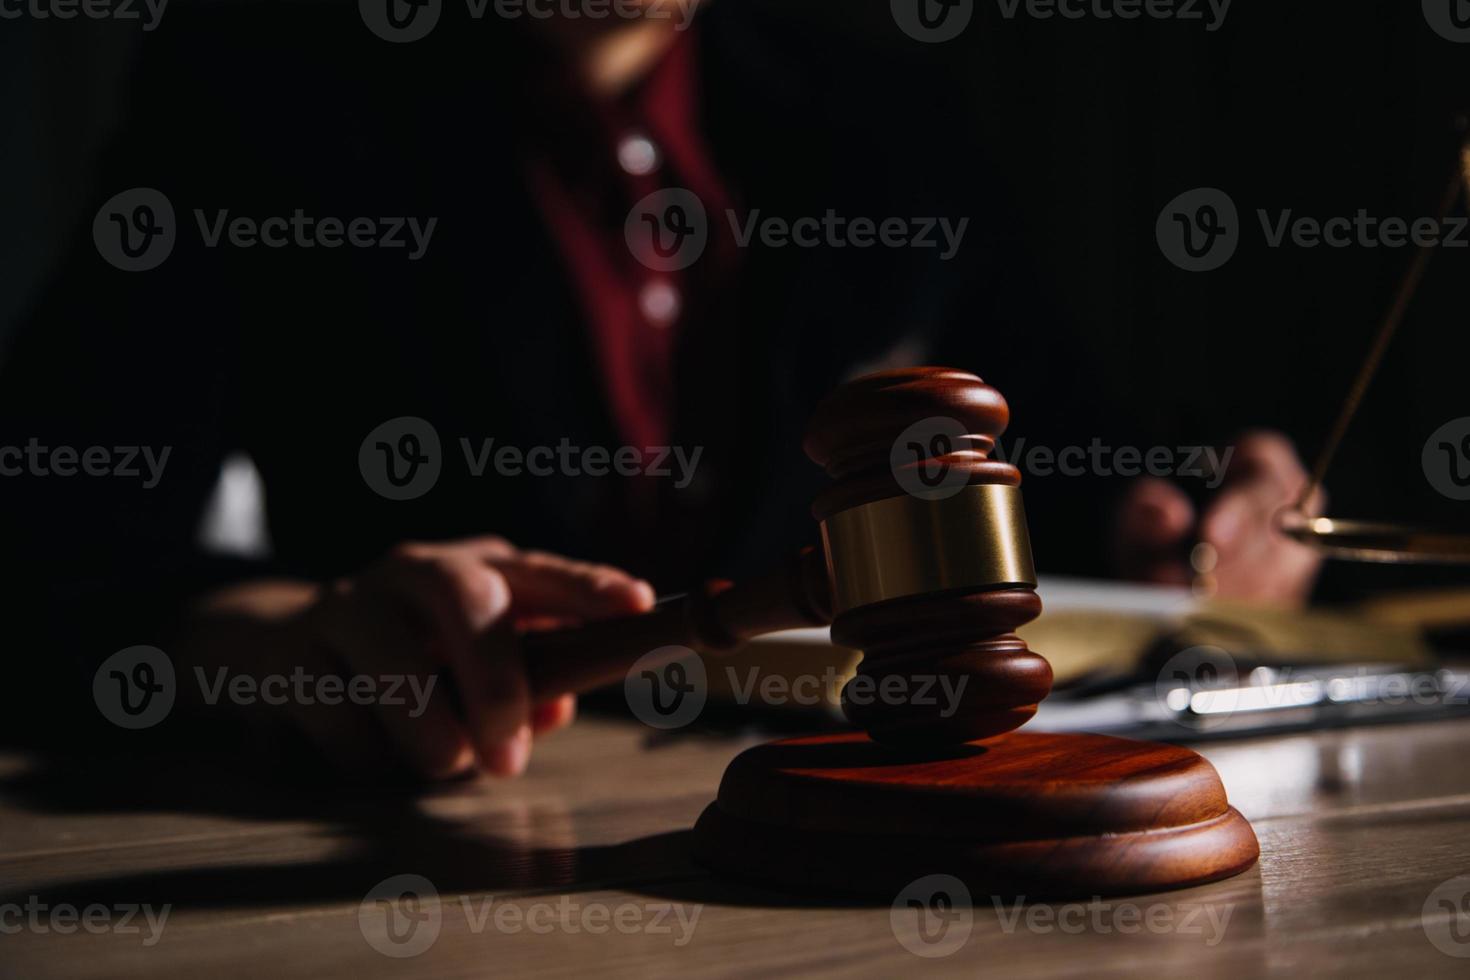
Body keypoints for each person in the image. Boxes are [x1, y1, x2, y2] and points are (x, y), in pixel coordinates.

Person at [0, 0, 1321, 780]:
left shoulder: (881, 114)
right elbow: (43, 553)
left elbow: (1074, 454)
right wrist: (274, 641)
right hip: (474, 828)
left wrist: (1201, 508)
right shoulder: (258, 97)